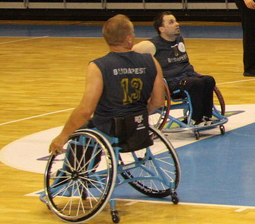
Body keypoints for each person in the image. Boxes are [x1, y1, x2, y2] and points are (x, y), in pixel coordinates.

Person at [48, 15, 166, 155]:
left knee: (84, 131)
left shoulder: (98, 66)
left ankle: (75, 169)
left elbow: (86, 110)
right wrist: (137, 117)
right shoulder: (151, 61)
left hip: (110, 129)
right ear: (128, 39)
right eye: (133, 33)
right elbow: (158, 102)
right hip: (139, 127)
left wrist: (63, 136)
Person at [133, 12, 217, 124]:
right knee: (196, 83)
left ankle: (206, 116)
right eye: (171, 22)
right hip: (172, 83)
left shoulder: (179, 39)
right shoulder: (153, 45)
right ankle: (195, 119)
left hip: (188, 76)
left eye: (176, 21)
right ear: (162, 29)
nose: (177, 24)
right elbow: (132, 51)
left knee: (209, 79)